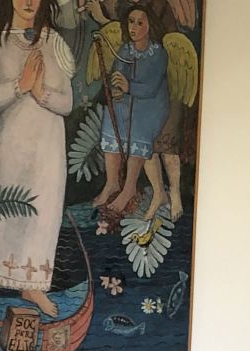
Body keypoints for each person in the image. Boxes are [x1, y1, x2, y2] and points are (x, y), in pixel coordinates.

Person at [0, 0, 74, 318]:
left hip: (48, 148)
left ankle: (32, 285)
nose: (28, 3)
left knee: (42, 213)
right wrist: (21, 85)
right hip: (11, 144)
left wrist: (40, 92)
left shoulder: (54, 43)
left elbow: (67, 103)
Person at [91, 4, 171, 215]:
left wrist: (128, 87)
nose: (134, 27)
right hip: (129, 99)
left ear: (149, 25)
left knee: (137, 125)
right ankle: (111, 183)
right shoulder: (126, 49)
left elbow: (151, 88)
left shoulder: (158, 53)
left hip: (151, 105)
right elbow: (119, 74)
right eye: (131, 22)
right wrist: (117, 89)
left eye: (139, 23)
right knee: (111, 117)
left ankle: (128, 188)